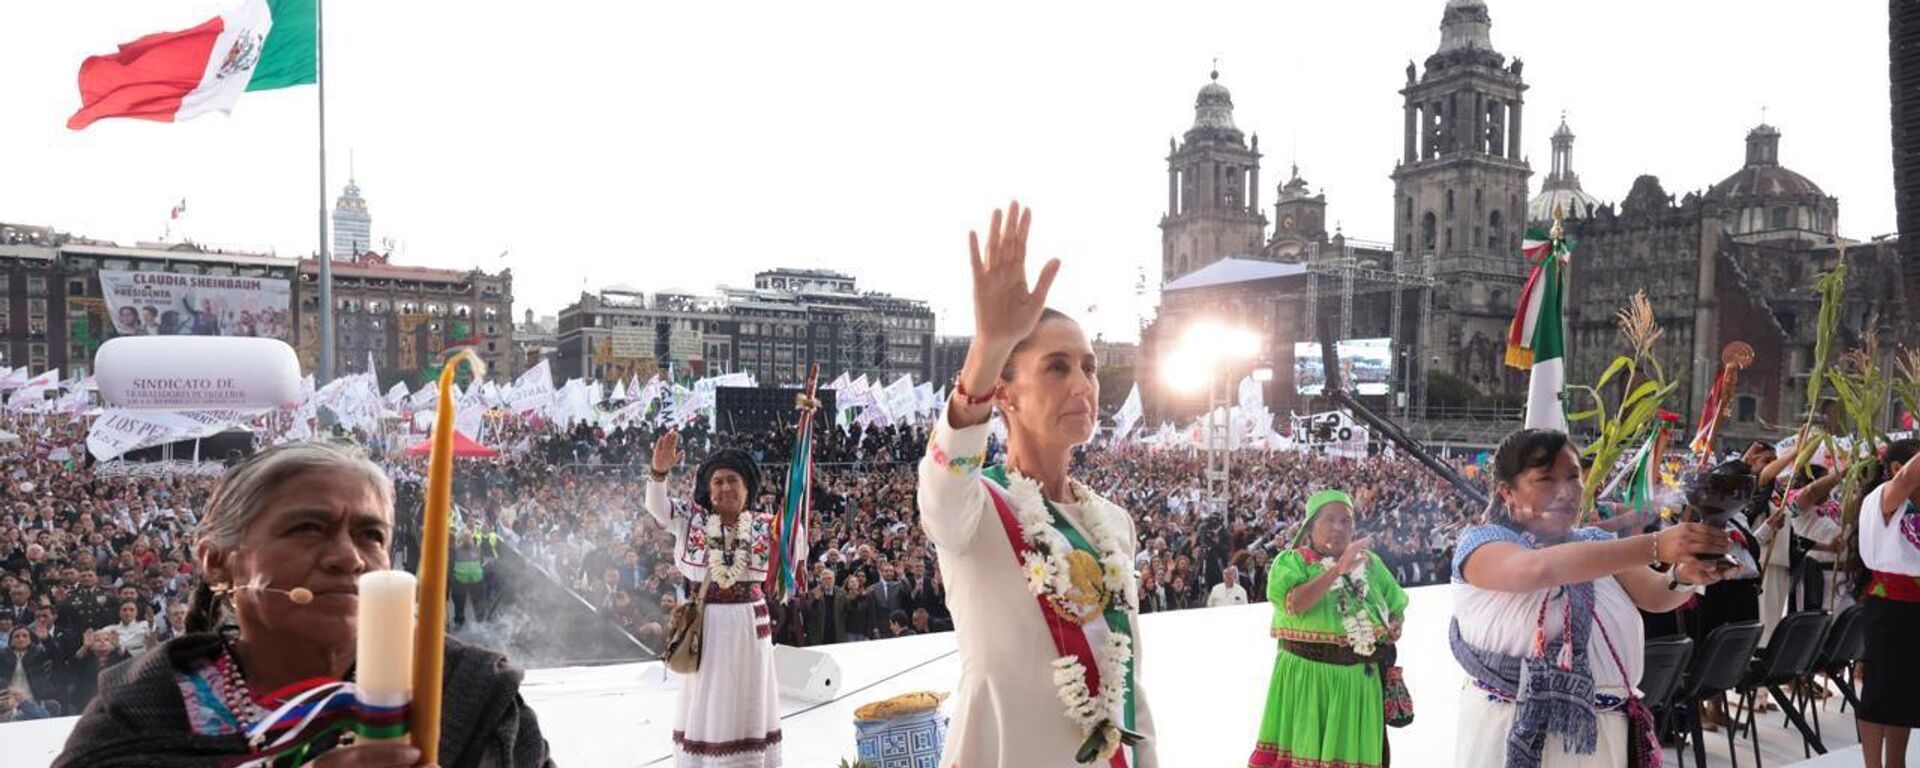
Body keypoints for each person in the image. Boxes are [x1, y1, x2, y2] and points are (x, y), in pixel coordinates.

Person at [53, 441, 552, 768]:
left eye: (370, 534)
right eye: (308, 528)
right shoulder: (142, 710)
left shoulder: (466, 693)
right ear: (217, 561)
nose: (348, 558)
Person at [917, 201, 1158, 766]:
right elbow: (943, 482)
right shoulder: (975, 511)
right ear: (1006, 393)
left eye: (1090, 367)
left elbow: (1127, 683)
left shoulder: (1114, 523)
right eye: (1056, 367)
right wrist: (988, 350)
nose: (1082, 384)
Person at [1451, 428, 1732, 767]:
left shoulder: (1594, 544)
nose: (1565, 492)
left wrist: (1683, 577)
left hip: (1607, 731)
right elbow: (1536, 570)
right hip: (1513, 729)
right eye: (1546, 480)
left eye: (1573, 477)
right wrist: (1656, 545)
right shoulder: (1482, 545)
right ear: (1506, 492)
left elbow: (1655, 595)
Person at [646, 439, 785, 768]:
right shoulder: (690, 519)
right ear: (708, 491)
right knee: (709, 697)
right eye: (718, 481)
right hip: (706, 625)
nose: (725, 487)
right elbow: (657, 507)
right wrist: (658, 473)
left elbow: (799, 552)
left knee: (749, 694)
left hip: (751, 623)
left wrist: (795, 515)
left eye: (733, 480)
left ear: (748, 489)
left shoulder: (769, 526)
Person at [1247, 490, 1408, 768]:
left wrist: (1395, 624)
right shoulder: (1292, 561)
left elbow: (1396, 603)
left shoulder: (1369, 562)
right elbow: (1294, 604)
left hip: (1360, 683)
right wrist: (1337, 571)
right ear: (1310, 527)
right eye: (1330, 520)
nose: (1339, 527)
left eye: (1346, 521)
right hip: (1309, 682)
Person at [1854, 437, 1920, 768]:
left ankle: (1896, 762)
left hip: (1915, 607)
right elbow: (1909, 480)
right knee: (1880, 691)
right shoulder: (1883, 498)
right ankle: (1873, 765)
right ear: (1897, 468)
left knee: (1905, 693)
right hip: (1890, 605)